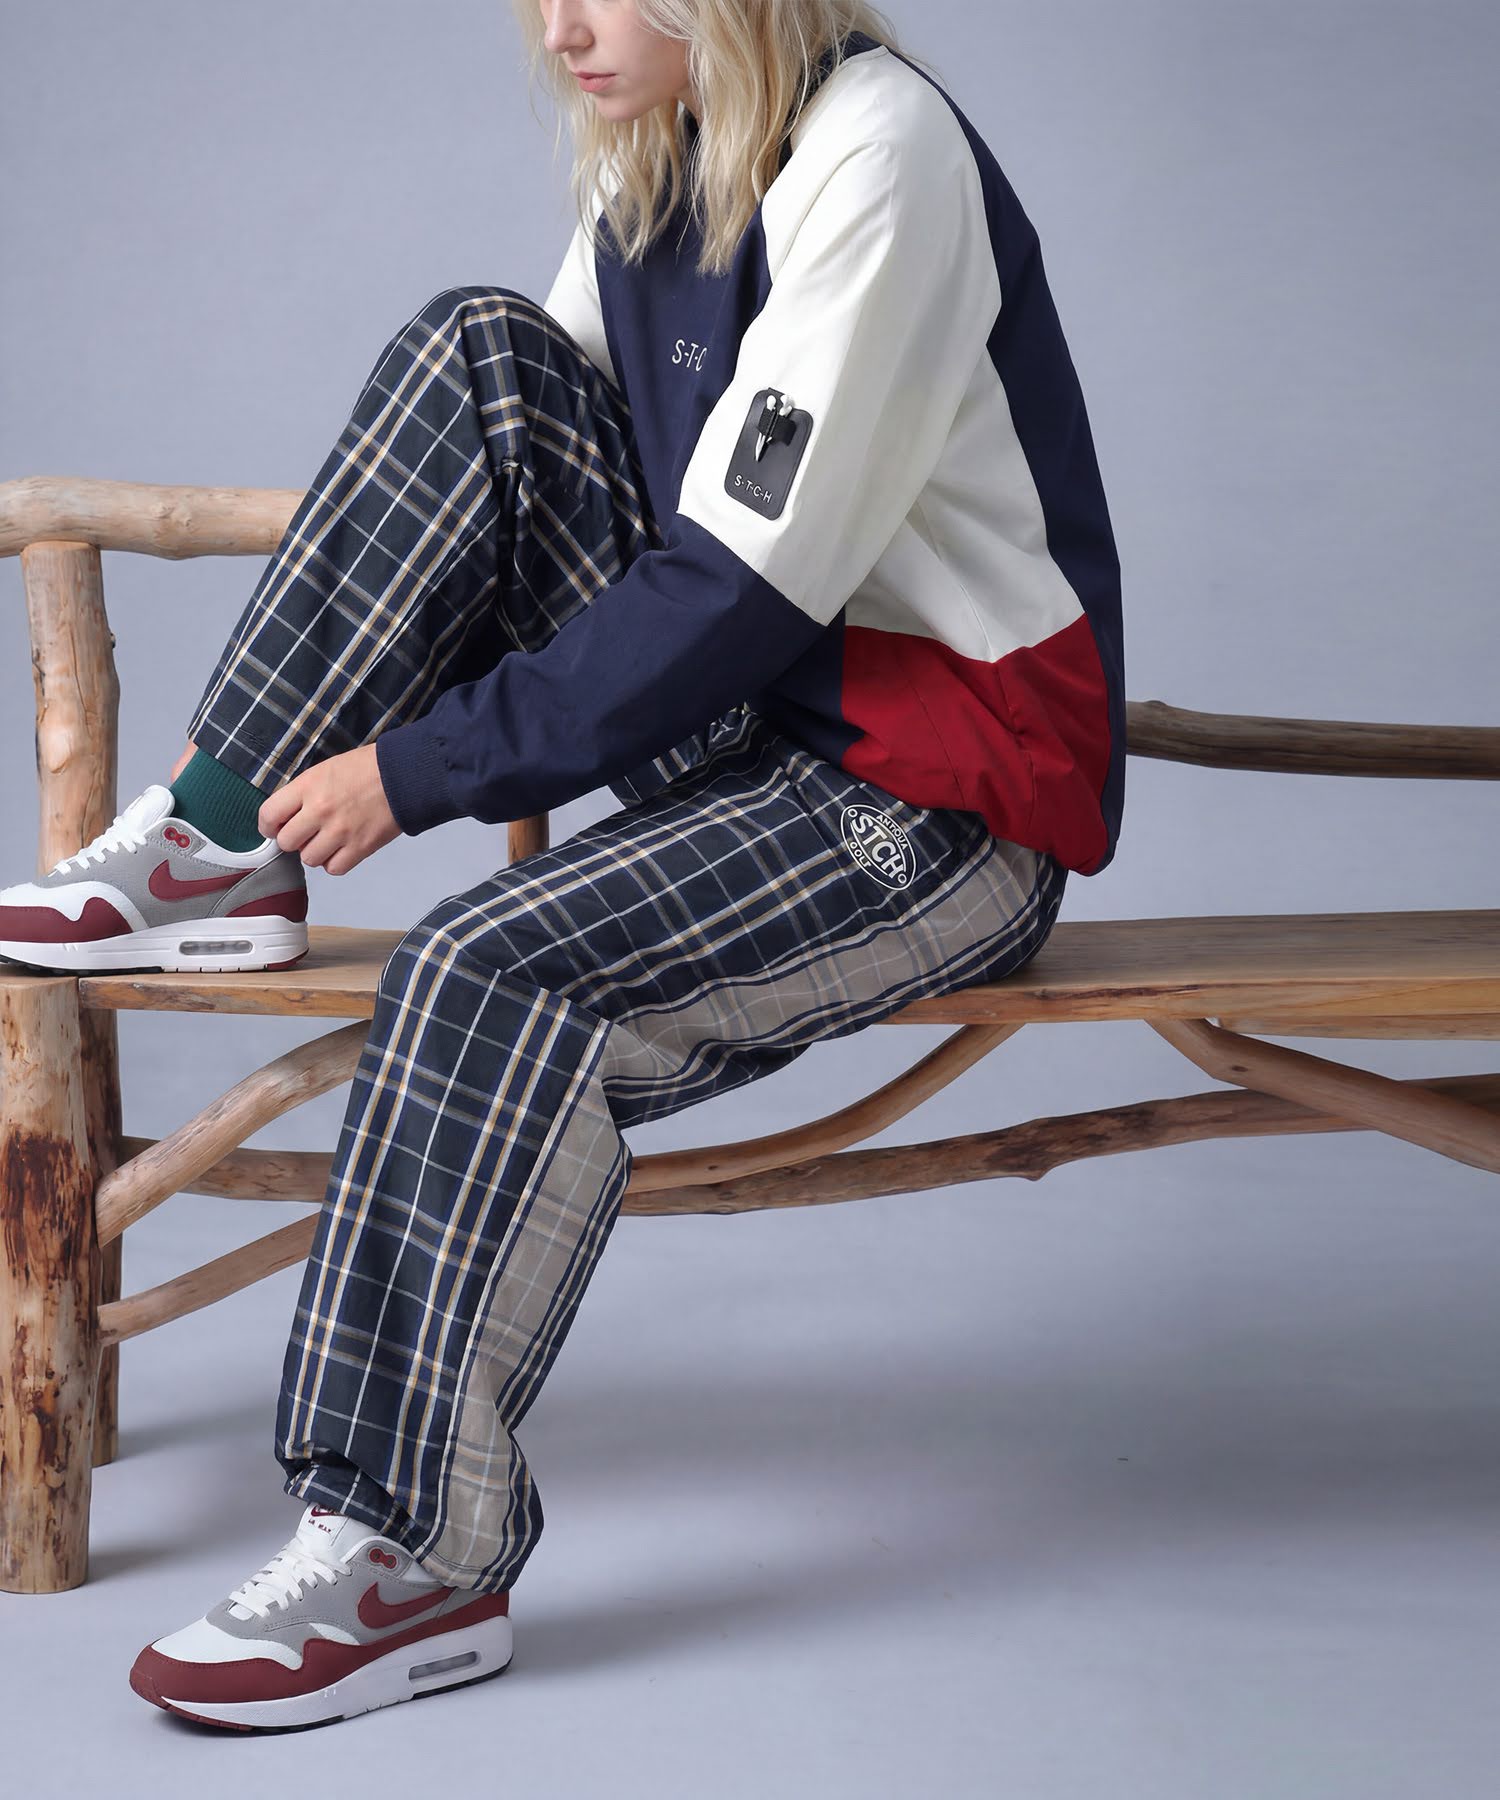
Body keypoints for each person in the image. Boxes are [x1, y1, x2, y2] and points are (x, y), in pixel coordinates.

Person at [0, 0, 1124, 1731]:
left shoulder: (880, 152)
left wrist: (417, 771)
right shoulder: (656, 150)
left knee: (484, 967)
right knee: (483, 351)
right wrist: (327, 753)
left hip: (939, 800)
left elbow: (735, 587)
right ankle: (218, 833)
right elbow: (523, 466)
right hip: (764, 727)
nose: (559, 29)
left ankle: (411, 1554)